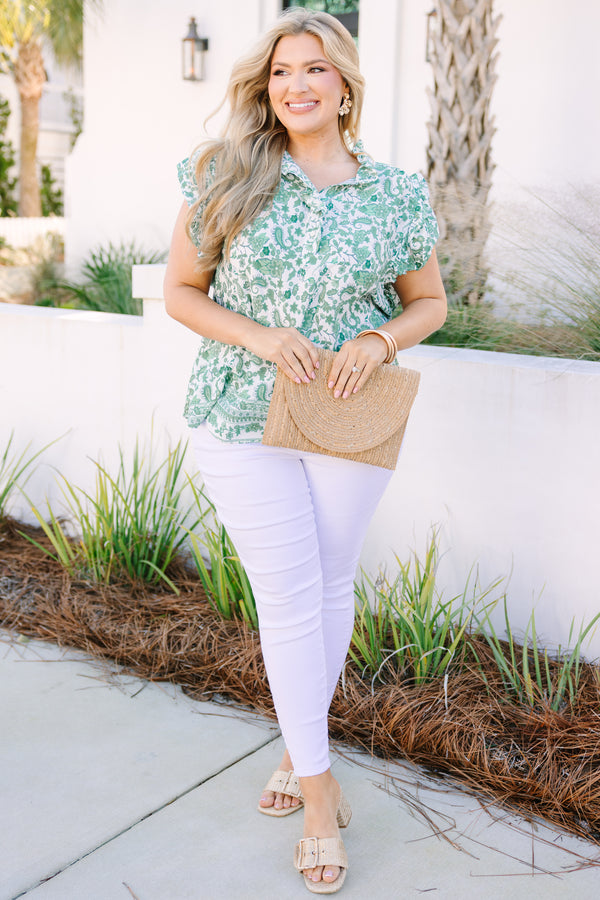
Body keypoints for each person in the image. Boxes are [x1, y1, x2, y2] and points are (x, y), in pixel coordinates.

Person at [163, 8, 447, 894]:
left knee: (330, 582)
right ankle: (320, 793)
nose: (297, 85)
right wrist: (258, 336)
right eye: (283, 71)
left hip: (348, 413)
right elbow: (180, 291)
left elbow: (429, 302)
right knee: (288, 594)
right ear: (266, 84)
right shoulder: (225, 173)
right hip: (240, 413)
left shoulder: (396, 192)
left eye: (315, 70)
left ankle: (298, 748)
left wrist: (380, 342)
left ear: (346, 85)